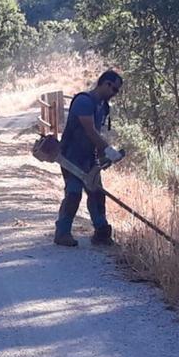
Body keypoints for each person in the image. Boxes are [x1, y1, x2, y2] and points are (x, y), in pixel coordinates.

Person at [55, 70, 124, 247]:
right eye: (114, 89)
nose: (114, 94)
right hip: (71, 156)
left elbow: (98, 133)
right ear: (105, 83)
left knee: (97, 194)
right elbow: (90, 131)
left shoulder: (103, 106)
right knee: (73, 193)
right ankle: (62, 233)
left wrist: (102, 156)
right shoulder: (84, 101)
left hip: (89, 157)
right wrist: (109, 150)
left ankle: (101, 233)